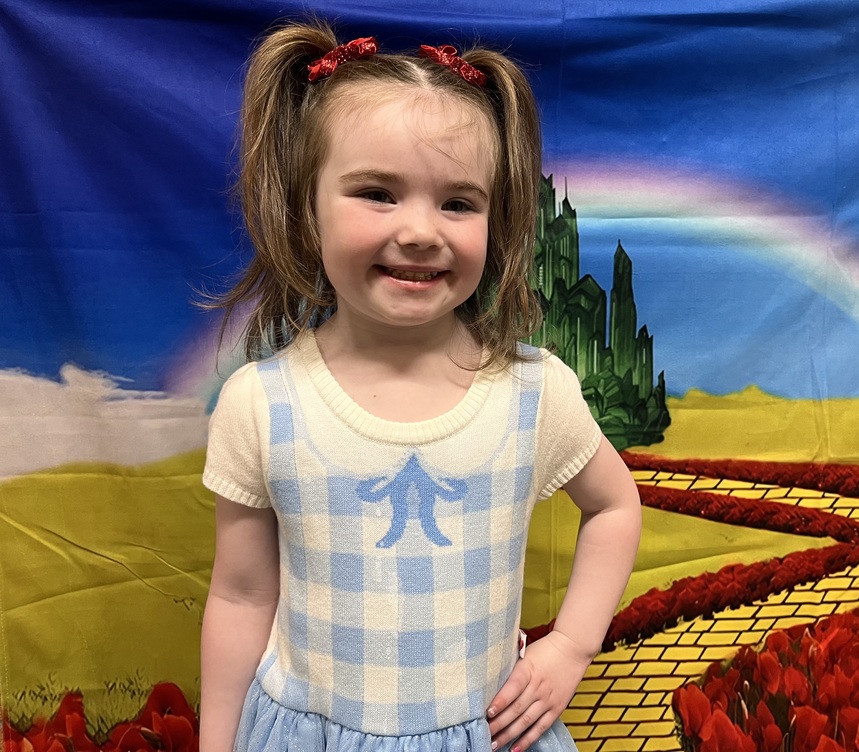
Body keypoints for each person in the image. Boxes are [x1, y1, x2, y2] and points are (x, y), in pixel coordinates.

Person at [200, 18, 641, 752]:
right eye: (377, 192)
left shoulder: (535, 395)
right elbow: (241, 594)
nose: (420, 230)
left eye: (458, 203)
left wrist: (570, 647)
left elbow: (615, 506)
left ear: (496, 224)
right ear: (305, 211)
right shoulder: (262, 403)